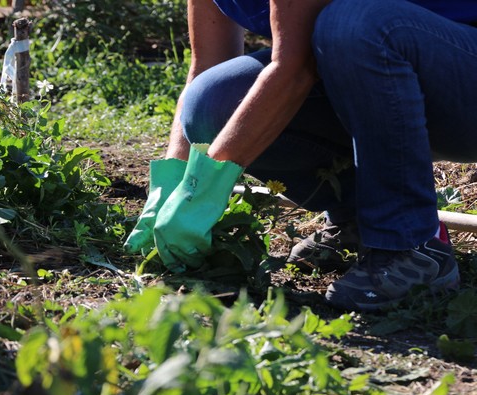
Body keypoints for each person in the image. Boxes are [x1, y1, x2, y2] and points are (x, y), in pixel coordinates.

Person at [124, 0, 477, 312]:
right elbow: (208, 64)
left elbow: (293, 67)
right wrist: (170, 183)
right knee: (212, 104)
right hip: (385, 75)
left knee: (354, 25)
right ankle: (359, 218)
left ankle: (412, 241)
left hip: (459, 74)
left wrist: (204, 188)